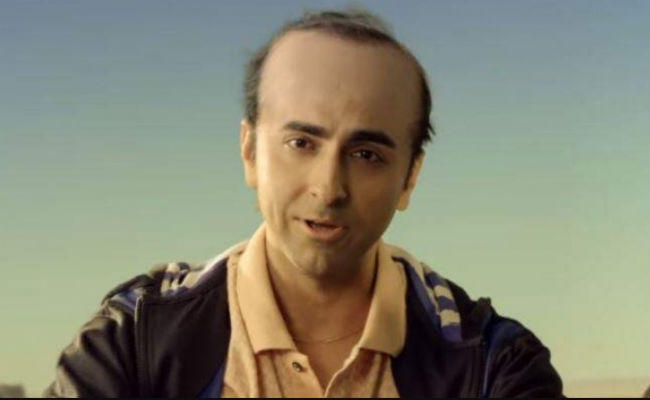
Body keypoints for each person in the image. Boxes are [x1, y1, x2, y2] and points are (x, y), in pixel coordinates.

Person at [45, 9, 563, 398]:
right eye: (301, 143)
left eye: (366, 154)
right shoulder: (132, 340)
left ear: (410, 177)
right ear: (250, 152)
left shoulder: (495, 365)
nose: (329, 188)